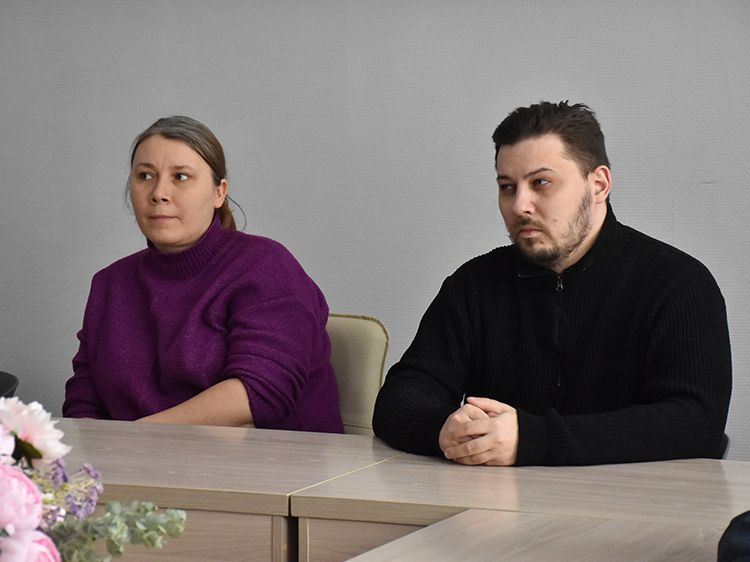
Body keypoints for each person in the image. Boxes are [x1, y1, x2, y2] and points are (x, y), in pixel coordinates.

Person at [373, 101, 731, 466]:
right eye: (507, 187)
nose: (520, 206)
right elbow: (400, 398)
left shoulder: (678, 284)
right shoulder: (473, 285)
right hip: (494, 498)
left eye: (541, 183)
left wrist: (531, 439)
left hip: (637, 497)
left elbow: (696, 422)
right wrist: (444, 428)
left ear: (599, 185)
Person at [63, 116, 343, 432]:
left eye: (181, 177)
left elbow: (260, 393)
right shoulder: (110, 284)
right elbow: (83, 402)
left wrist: (134, 439)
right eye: (145, 176)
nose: (159, 193)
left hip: (274, 461)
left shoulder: (265, 266)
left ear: (219, 192)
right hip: (133, 459)